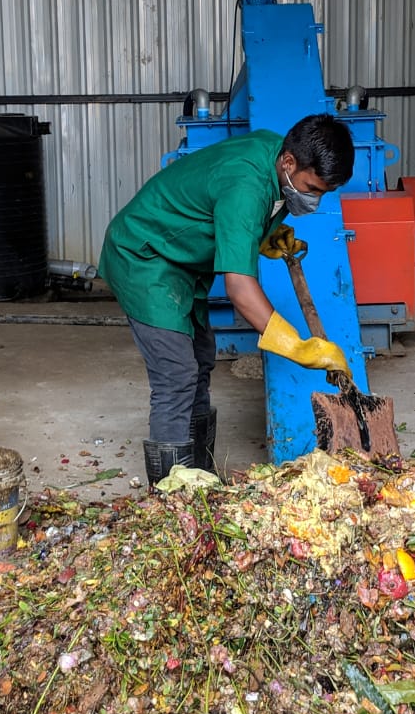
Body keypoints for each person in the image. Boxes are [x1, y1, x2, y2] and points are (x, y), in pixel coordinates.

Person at [99, 113, 356, 485]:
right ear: (289, 162)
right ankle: (171, 499)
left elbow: (237, 209)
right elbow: (239, 289)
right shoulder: (245, 185)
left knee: (201, 359)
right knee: (176, 373)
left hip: (183, 261)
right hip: (145, 257)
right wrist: (297, 347)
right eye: (312, 188)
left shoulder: (274, 150)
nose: (314, 199)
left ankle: (197, 474)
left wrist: (263, 234)